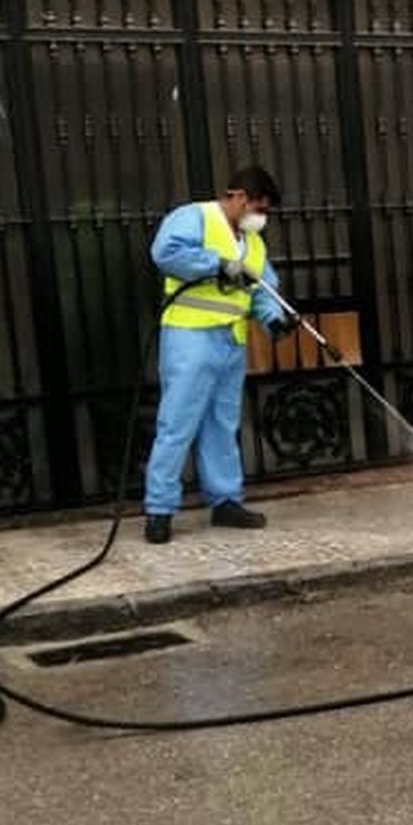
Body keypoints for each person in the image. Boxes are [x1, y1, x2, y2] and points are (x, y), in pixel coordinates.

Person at [142, 163, 297, 544]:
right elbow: (166, 252)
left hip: (230, 342)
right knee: (177, 424)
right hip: (190, 338)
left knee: (222, 425)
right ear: (239, 197)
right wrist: (219, 266)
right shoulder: (194, 217)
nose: (261, 218)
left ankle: (225, 500)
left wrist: (274, 320)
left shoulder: (253, 243)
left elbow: (262, 287)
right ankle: (159, 510)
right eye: (258, 208)